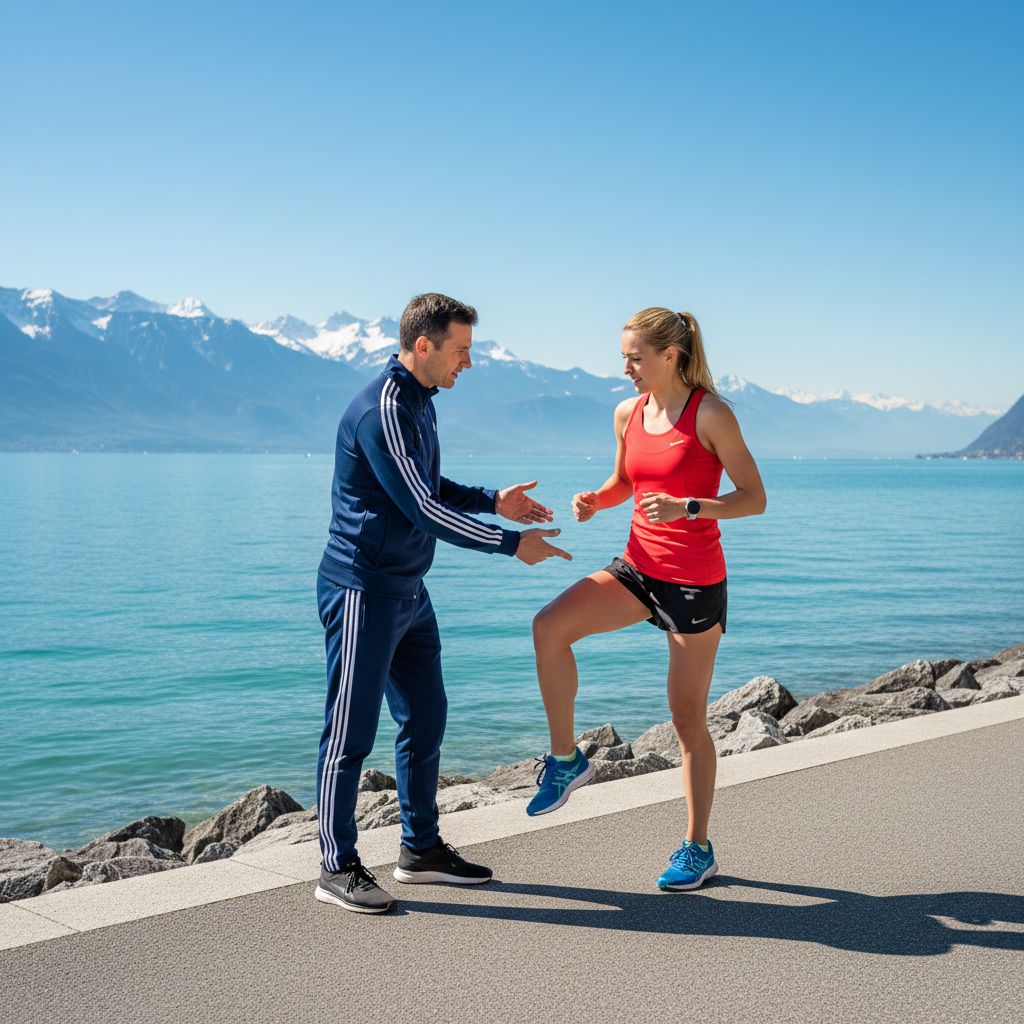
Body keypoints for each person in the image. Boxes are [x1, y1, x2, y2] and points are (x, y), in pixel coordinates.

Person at [315, 292, 571, 914]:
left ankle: (420, 851)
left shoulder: (419, 402)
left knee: (426, 717)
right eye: (462, 351)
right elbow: (422, 509)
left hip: (409, 591)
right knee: (350, 732)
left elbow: (425, 483)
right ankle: (334, 865)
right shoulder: (381, 410)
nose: (469, 364)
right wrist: (512, 544)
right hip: (362, 591)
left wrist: (492, 499)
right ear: (423, 346)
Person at [528, 307, 766, 892]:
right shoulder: (626, 413)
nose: (627, 368)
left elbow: (754, 497)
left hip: (694, 583)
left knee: (687, 720)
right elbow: (627, 483)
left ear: (671, 356)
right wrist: (595, 501)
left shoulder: (710, 414)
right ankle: (565, 761)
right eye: (624, 358)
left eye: (636, 357)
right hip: (638, 569)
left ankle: (697, 847)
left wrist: (690, 507)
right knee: (549, 627)